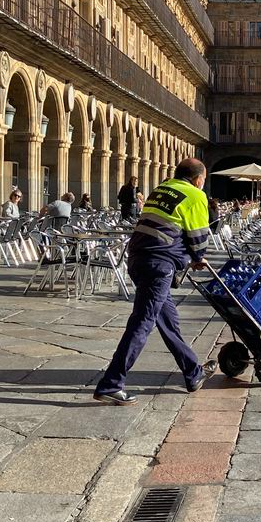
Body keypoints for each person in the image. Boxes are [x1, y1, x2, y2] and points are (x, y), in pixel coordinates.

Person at [94, 158, 216, 406]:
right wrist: (197, 257)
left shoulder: (161, 189)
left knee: (168, 320)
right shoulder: (194, 195)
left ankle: (193, 373)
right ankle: (111, 384)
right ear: (198, 179)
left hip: (138, 258)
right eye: (203, 180)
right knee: (142, 322)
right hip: (158, 264)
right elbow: (199, 236)